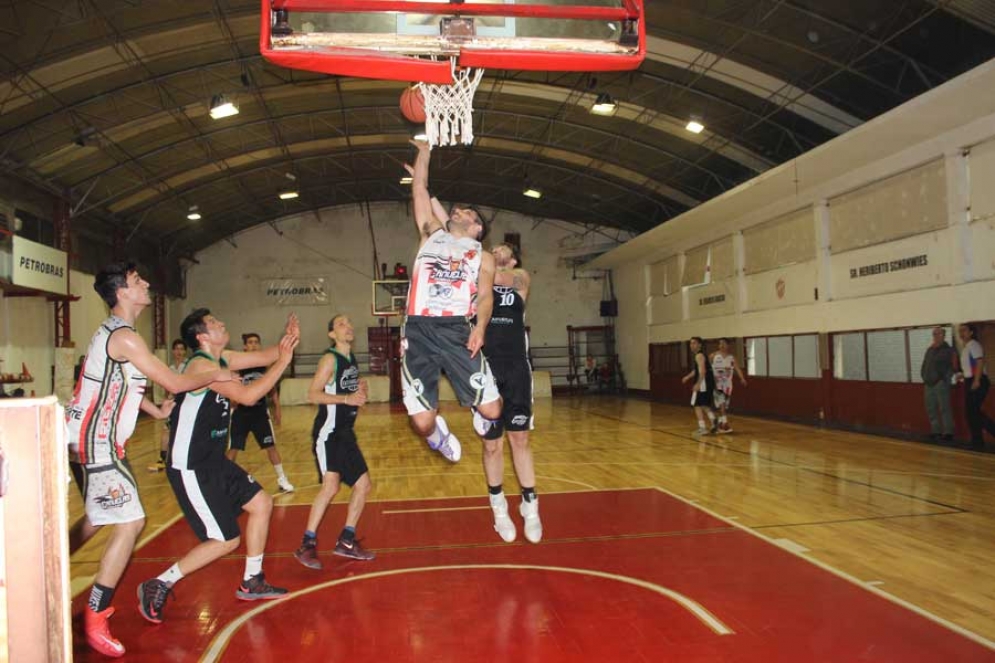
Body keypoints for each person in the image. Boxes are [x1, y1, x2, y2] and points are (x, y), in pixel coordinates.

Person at [65, 262, 231, 658]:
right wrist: (214, 376)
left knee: (98, 516)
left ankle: (47, 565)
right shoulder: (124, 337)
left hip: (88, 438)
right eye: (139, 281)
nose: (148, 284)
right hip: (95, 440)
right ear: (122, 291)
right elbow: (174, 382)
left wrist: (154, 412)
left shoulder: (120, 335)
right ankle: (96, 614)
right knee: (132, 520)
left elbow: (121, 384)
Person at [136, 309, 299, 626]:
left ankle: (252, 580)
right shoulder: (202, 365)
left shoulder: (222, 358)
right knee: (226, 539)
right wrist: (281, 362)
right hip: (191, 464)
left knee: (262, 503)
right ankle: (160, 582)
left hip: (213, 460)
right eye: (214, 323)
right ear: (202, 336)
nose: (222, 322)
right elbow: (249, 396)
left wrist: (287, 341)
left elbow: (267, 355)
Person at [400, 139, 503, 465]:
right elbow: (419, 189)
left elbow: (486, 296)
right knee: (422, 421)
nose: (458, 211)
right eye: (456, 209)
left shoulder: (482, 255)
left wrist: (481, 327)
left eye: (467, 212)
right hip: (418, 328)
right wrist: (424, 154)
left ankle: (477, 409)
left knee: (492, 410)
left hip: (457, 327)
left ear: (477, 228)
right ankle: (437, 437)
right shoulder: (431, 232)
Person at [294, 314, 375, 568]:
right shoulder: (330, 359)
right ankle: (306, 545)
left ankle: (346, 541)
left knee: (363, 485)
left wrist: (358, 392)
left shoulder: (350, 359)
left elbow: (344, 392)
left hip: (345, 432)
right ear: (332, 334)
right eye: (341, 324)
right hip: (328, 433)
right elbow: (312, 395)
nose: (348, 326)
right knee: (330, 487)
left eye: (350, 323)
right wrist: (346, 399)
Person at [482, 243, 542, 543]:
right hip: (485, 366)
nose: (495, 250)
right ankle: (498, 507)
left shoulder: (519, 277)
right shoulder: (481, 277)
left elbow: (502, 278)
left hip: (517, 366)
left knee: (520, 438)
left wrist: (486, 264)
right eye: (492, 248)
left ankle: (530, 505)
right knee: (492, 445)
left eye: (501, 248)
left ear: (514, 258)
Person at [226, 332, 294, 493]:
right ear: (244, 346)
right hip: (240, 413)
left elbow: (271, 388)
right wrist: (232, 403)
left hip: (260, 413)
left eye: (256, 342)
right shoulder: (238, 366)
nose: (253, 345)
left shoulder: (264, 366)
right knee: (233, 448)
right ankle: (225, 481)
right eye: (250, 342)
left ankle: (282, 479)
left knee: (271, 446)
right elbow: (230, 389)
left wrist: (277, 407)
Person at [148, 339, 189, 472]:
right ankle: (163, 458)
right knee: (167, 431)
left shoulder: (189, 366)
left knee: (185, 431)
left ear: (185, 351)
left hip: (187, 403)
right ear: (173, 351)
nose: (179, 352)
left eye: (182, 349)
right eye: (177, 349)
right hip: (174, 404)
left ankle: (184, 457)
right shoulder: (170, 368)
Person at [957, 324, 995, 449]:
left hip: (978, 380)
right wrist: (963, 375)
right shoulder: (966, 347)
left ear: (971, 332)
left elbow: (980, 361)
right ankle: (977, 442)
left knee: (973, 412)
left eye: (964, 330)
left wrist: (977, 380)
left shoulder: (973, 344)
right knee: (971, 413)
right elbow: (970, 366)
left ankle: (978, 441)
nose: (961, 333)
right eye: (960, 331)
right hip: (971, 379)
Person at [921, 327, 957, 442]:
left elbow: (953, 367)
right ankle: (935, 431)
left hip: (941, 383)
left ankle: (948, 432)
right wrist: (924, 376)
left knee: (944, 408)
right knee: (931, 408)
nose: (935, 336)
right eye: (934, 334)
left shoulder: (948, 350)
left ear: (943, 335)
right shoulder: (930, 350)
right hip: (928, 383)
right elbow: (925, 364)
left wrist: (943, 378)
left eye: (938, 334)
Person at [710, 338, 747, 433]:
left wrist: (742, 378)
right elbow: (707, 368)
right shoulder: (713, 356)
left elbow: (737, 368)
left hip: (727, 385)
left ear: (728, 345)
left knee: (723, 406)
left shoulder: (732, 357)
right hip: (717, 384)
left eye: (723, 343)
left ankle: (720, 424)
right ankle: (725, 424)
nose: (721, 345)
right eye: (720, 344)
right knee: (721, 403)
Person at [681, 336, 717, 436]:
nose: (692, 345)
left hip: (703, 383)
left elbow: (702, 371)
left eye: (694, 343)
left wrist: (698, 383)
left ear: (700, 345)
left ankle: (702, 428)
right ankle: (714, 421)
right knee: (704, 404)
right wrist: (687, 377)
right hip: (707, 382)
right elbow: (697, 370)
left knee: (696, 405)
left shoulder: (699, 356)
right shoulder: (700, 355)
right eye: (691, 343)